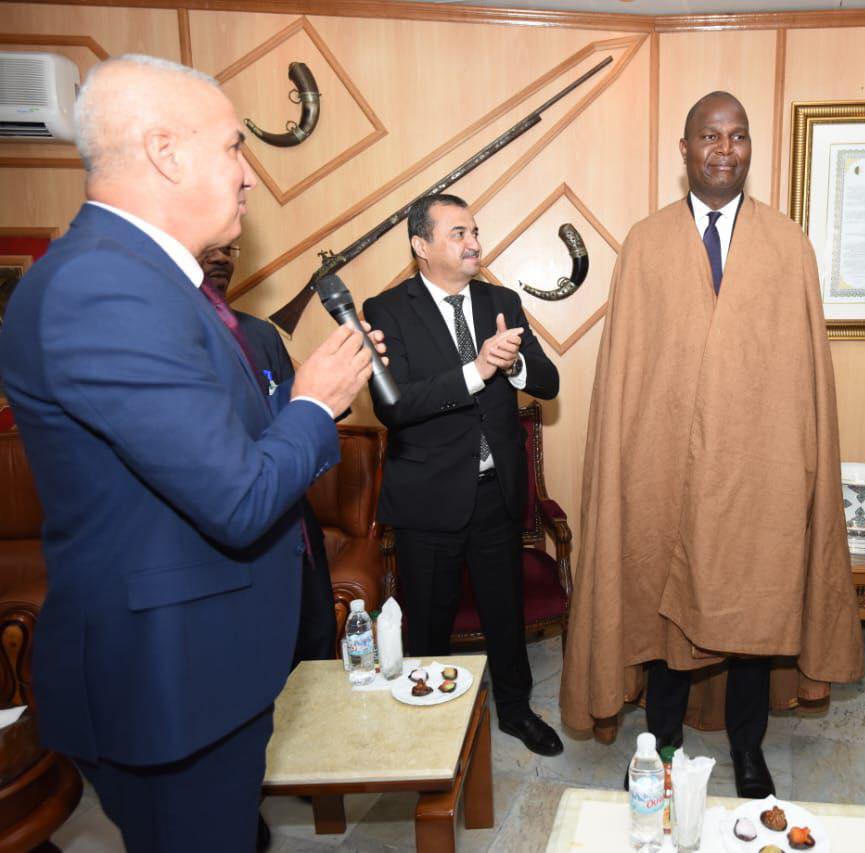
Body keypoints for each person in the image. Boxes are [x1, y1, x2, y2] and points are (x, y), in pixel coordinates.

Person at [0, 55, 381, 852]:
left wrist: (306, 393)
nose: (247, 174)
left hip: (204, 669)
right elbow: (237, 498)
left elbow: (209, 444)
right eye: (234, 146)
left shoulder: (153, 282)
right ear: (165, 152)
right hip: (168, 683)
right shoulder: (103, 287)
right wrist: (314, 403)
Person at [559, 91, 862, 799]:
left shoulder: (787, 245)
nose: (725, 150)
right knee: (664, 607)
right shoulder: (646, 243)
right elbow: (629, 370)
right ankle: (662, 744)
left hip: (760, 469)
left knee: (753, 609)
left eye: (738, 136)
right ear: (686, 150)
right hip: (666, 464)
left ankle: (748, 749)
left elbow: (804, 373)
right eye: (710, 136)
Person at [362, 193, 563, 756]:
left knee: (506, 612)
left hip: (496, 491)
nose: (474, 243)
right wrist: (477, 369)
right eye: (458, 233)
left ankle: (517, 712)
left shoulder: (502, 301)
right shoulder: (387, 310)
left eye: (474, 231)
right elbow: (394, 405)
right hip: (428, 499)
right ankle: (429, 728)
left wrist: (514, 362)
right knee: (428, 622)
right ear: (421, 246)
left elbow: (547, 382)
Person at [199, 242, 337, 665]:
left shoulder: (259, 334)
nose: (222, 258)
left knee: (315, 647)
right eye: (211, 248)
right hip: (230, 538)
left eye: (230, 249)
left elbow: (292, 420)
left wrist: (327, 396)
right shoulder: (174, 337)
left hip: (295, 527)